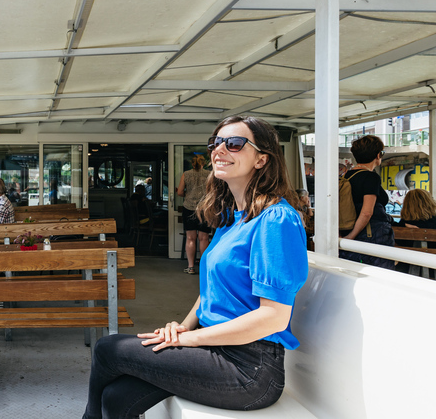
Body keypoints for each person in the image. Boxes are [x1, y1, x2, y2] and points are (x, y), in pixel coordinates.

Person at [82, 116, 309, 418]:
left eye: (235, 144)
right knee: (116, 397)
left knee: (108, 349)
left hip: (249, 369)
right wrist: (183, 327)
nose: (219, 149)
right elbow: (213, 290)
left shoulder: (276, 219)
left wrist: (189, 340)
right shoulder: (232, 218)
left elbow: (273, 318)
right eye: (216, 143)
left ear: (262, 159)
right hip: (212, 347)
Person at [338, 135, 395, 269]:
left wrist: (345, 235)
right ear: (377, 155)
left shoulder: (346, 176)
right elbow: (367, 212)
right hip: (372, 235)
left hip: (348, 230)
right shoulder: (371, 177)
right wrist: (351, 237)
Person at [176, 154, 211, 274]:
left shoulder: (186, 174)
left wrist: (188, 195)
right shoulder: (209, 175)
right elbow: (213, 192)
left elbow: (180, 192)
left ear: (192, 163)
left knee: (190, 238)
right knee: (204, 238)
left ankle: (190, 267)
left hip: (189, 208)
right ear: (203, 164)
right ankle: (204, 267)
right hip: (204, 209)